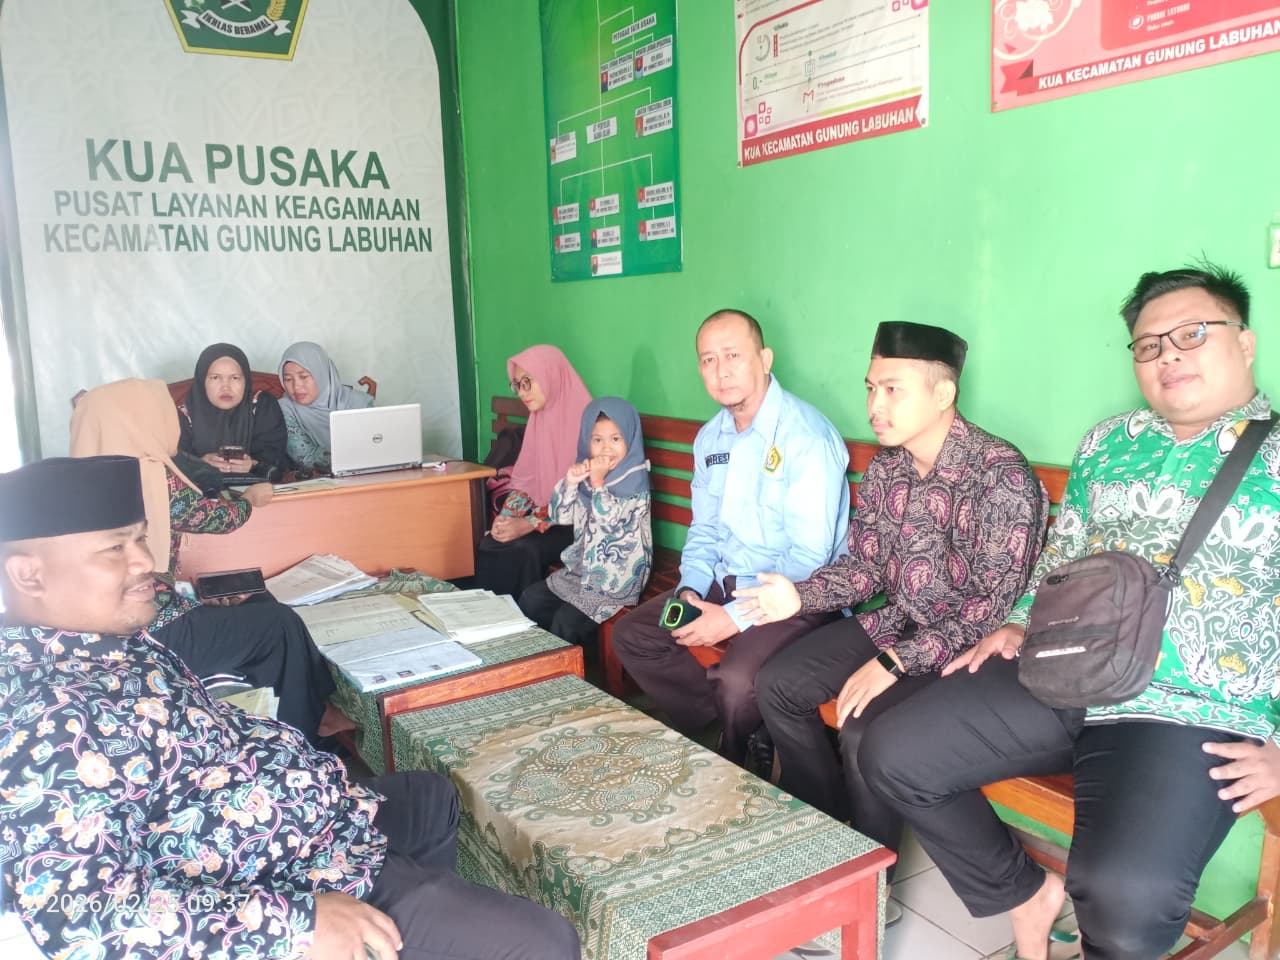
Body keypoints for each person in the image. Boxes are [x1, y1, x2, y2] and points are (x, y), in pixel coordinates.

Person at [0, 454, 580, 960]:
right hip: (277, 888)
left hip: (297, 827)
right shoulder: (45, 721)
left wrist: (300, 775)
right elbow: (78, 920)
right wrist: (297, 926)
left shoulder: (117, 645)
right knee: (543, 943)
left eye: (139, 540)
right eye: (113, 550)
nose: (143, 563)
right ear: (28, 574)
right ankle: (394, 919)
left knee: (430, 797)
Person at [860, 263, 1280, 960]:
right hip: (1064, 670)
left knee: (1123, 899)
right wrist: (1018, 621)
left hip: (1183, 709)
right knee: (892, 750)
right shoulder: (1107, 443)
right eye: (1149, 344)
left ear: (1245, 343)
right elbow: (1064, 553)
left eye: (1192, 333)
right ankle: (1024, 894)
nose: (1169, 353)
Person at [741, 321, 1047, 880]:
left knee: (862, 729)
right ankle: (830, 836)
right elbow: (864, 568)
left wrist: (895, 662)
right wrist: (799, 597)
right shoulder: (889, 467)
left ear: (943, 394)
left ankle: (868, 885)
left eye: (891, 389)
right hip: (898, 621)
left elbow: (990, 610)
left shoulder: (1001, 476)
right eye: (869, 387)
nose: (874, 405)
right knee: (776, 685)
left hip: (963, 647)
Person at [610, 309, 850, 766]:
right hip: (725, 581)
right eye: (707, 360)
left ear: (765, 358)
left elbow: (810, 559)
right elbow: (703, 530)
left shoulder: (806, 438)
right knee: (637, 635)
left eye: (733, 356)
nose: (721, 372)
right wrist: (690, 590)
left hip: (798, 594)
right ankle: (735, 725)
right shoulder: (710, 439)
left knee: (740, 679)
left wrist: (733, 618)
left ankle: (738, 738)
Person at [69, 378, 335, 743]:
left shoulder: (75, 480)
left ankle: (301, 712)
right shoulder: (143, 473)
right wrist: (250, 500)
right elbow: (218, 517)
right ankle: (304, 732)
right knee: (278, 622)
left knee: (255, 604)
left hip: (102, 631)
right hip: (153, 632)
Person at [517, 397, 652, 651]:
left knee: (565, 622)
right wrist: (570, 482)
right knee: (531, 599)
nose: (605, 449)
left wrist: (599, 483)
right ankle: (538, 665)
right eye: (597, 439)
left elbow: (611, 524)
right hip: (580, 571)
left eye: (616, 439)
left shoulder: (635, 481)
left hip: (617, 579)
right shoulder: (587, 477)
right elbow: (561, 516)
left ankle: (570, 679)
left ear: (630, 440)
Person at [473, 345, 591, 600]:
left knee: (525, 549)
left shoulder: (589, 423)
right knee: (492, 542)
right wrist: (506, 518)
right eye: (517, 385)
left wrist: (527, 524)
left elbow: (586, 499)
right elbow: (526, 481)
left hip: (582, 525)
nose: (523, 393)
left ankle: (528, 630)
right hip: (545, 517)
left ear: (551, 376)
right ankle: (486, 623)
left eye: (529, 382)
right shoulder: (539, 420)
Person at [178, 342, 288, 482]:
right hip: (203, 498)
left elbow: (276, 461)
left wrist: (252, 465)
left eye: (235, 378)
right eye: (215, 378)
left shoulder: (262, 406)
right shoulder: (184, 416)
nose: (226, 387)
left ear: (246, 381)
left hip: (258, 493)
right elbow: (171, 466)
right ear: (202, 381)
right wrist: (200, 463)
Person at [278, 341, 374, 473]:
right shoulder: (284, 409)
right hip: (318, 483)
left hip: (370, 476)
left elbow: (378, 444)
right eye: (288, 379)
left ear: (322, 374)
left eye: (304, 376)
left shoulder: (359, 402)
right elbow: (307, 458)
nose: (296, 387)